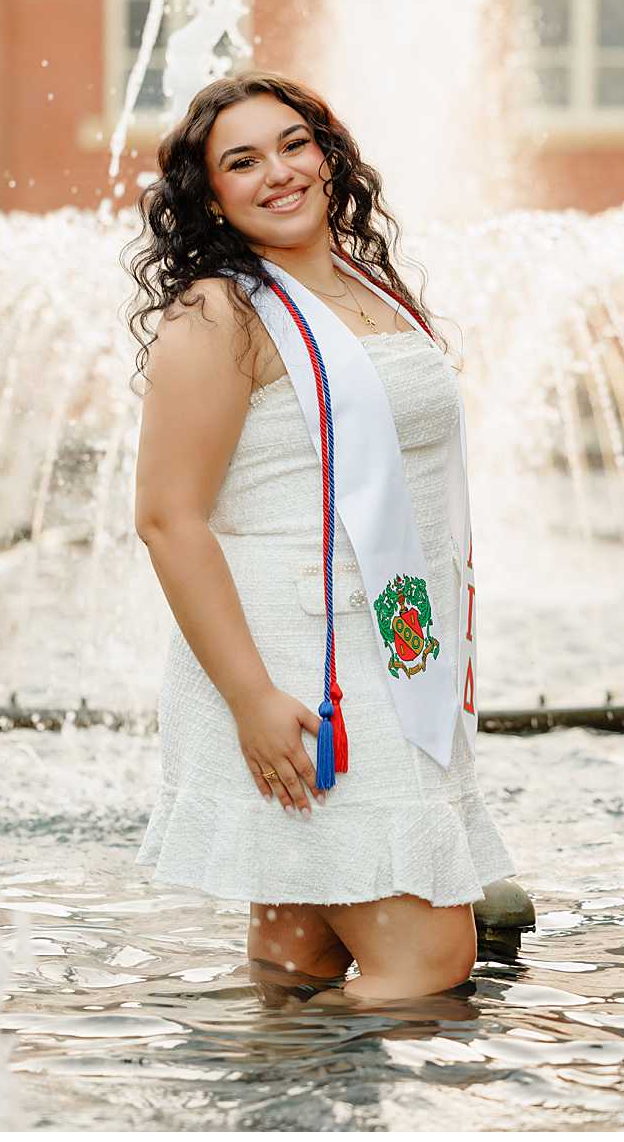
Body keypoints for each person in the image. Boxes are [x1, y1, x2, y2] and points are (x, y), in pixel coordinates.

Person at [128, 70, 516, 1003]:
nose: (279, 172)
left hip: (391, 641)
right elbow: (167, 517)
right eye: (242, 161)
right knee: (426, 964)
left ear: (329, 151)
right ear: (209, 195)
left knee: (303, 962)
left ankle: (277, 1100)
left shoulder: (361, 283)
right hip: (303, 669)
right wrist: (252, 697)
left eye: (293, 144)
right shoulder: (220, 312)